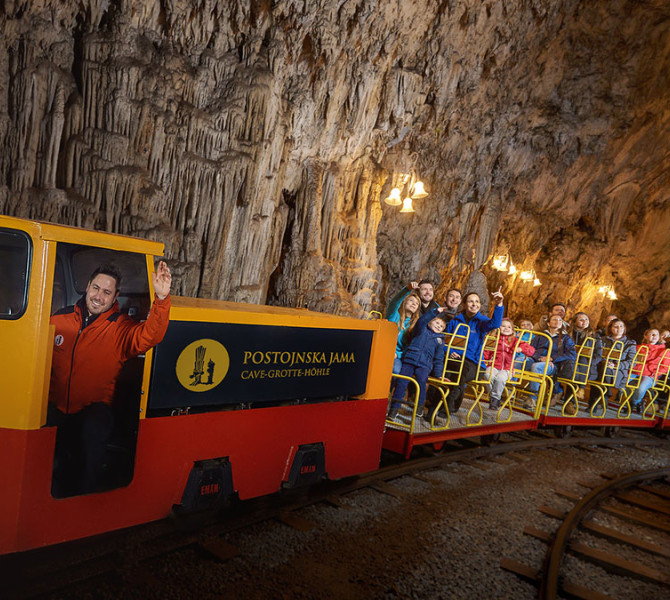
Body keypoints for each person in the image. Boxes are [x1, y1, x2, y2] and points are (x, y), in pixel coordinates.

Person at [48, 261, 172, 495]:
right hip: (55, 407)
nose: (98, 296)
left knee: (91, 434)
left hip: (93, 410)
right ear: (87, 287)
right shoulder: (59, 319)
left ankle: (85, 501)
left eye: (107, 292)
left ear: (115, 296)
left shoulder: (120, 328)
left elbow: (150, 336)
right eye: (96, 288)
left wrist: (162, 299)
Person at [425, 288, 504, 421]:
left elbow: (495, 324)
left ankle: (445, 410)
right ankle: (434, 408)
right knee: (445, 375)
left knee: (459, 375)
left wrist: (499, 304)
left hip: (473, 363)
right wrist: (450, 352)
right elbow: (445, 340)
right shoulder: (455, 321)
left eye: (477, 302)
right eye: (471, 301)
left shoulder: (481, 322)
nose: (474, 304)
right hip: (454, 359)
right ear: (464, 304)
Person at [387, 308, 447, 421]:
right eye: (437, 322)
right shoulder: (421, 329)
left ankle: (419, 407)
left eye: (442, 326)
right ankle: (394, 409)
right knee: (402, 382)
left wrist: (438, 374)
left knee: (421, 382)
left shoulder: (440, 340)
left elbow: (438, 359)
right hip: (410, 360)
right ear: (430, 322)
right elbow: (421, 321)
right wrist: (435, 312)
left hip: (424, 365)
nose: (439, 326)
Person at [527, 315, 577, 409]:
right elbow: (531, 348)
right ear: (548, 323)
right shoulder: (541, 335)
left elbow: (572, 354)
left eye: (560, 320)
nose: (557, 321)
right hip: (537, 359)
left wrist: (552, 358)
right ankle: (508, 391)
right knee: (520, 361)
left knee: (536, 367)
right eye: (554, 319)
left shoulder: (565, 338)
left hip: (553, 365)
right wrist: (539, 358)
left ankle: (532, 398)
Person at [484, 318, 534, 411]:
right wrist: (484, 361)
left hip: (507, 368)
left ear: (512, 330)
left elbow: (531, 351)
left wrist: (521, 349)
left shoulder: (515, 341)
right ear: (498, 327)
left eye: (509, 327)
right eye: (503, 326)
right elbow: (486, 353)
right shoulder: (493, 339)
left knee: (500, 378)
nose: (506, 328)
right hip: (493, 365)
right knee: (487, 375)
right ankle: (495, 397)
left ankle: (494, 399)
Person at [596, 318, 636, 408]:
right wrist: (604, 361)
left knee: (604, 371)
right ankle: (604, 395)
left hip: (618, 372)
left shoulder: (629, 344)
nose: (619, 328)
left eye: (621, 326)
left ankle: (603, 396)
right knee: (600, 369)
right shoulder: (603, 340)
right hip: (602, 367)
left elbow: (632, 362)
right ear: (610, 328)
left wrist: (615, 365)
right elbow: (597, 354)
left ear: (624, 328)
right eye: (616, 326)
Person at [628, 329, 670, 413]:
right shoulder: (638, 348)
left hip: (650, 374)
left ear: (659, 337)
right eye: (652, 334)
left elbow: (665, 367)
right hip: (635, 372)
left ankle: (633, 403)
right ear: (645, 336)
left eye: (656, 335)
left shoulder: (664, 351)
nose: (654, 336)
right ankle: (639, 401)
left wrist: (654, 373)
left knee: (641, 387)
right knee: (621, 383)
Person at [385, 289, 422, 373]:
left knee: (396, 370)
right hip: (383, 350)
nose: (414, 304)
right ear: (404, 302)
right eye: (411, 301)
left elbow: (409, 346)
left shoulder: (414, 325)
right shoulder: (394, 316)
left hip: (397, 356)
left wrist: (398, 354)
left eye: (417, 304)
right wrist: (407, 289)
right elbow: (394, 303)